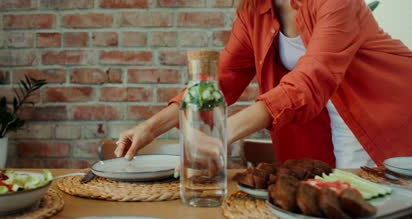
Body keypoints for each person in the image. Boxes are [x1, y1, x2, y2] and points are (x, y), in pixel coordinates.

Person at [115, 0, 412, 169]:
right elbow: (222, 79)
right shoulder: (254, 12)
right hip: (328, 113)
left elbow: (310, 80)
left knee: (364, 215)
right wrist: (151, 128)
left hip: (382, 108)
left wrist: (220, 135)